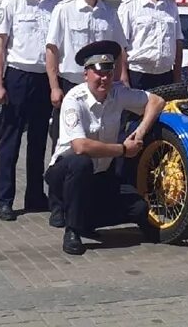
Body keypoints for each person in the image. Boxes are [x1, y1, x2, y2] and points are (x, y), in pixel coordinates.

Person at [45, 40, 165, 256]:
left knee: (138, 208)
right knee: (81, 163)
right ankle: (72, 230)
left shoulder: (117, 93)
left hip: (100, 175)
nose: (104, 79)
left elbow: (156, 101)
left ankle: (84, 220)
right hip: (65, 174)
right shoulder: (74, 99)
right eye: (98, 73)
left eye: (109, 73)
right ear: (86, 74)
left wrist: (139, 134)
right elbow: (80, 146)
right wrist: (122, 149)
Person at [0, 0, 61, 222]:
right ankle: (4, 199)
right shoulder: (12, 4)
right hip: (18, 76)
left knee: (38, 142)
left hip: (45, 78)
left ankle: (34, 195)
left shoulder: (57, 6)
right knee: (10, 140)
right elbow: (0, 47)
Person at [45, 0, 127, 166]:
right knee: (64, 144)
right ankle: (59, 195)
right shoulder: (63, 10)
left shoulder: (110, 13)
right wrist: (54, 87)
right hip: (72, 85)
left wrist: (118, 82)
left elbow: (119, 51)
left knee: (100, 138)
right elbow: (52, 51)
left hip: (101, 88)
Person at [118, 0, 183, 90]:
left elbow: (177, 43)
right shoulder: (129, 6)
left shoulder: (171, 6)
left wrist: (177, 77)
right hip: (138, 75)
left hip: (165, 75)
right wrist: (123, 76)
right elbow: (121, 45)